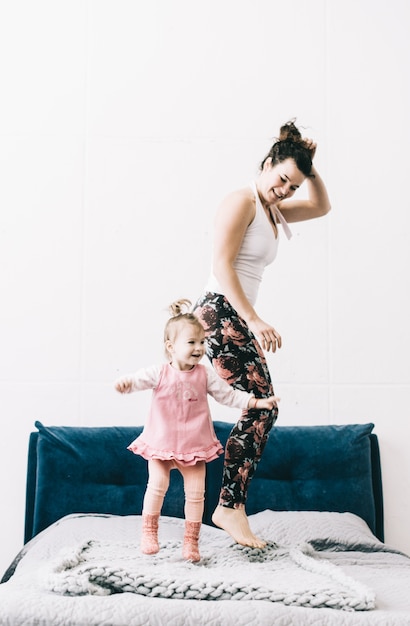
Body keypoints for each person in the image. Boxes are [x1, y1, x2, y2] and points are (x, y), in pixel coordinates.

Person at [193, 119, 331, 549]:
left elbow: (322, 206)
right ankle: (229, 507)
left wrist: (311, 167)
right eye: (282, 179)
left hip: (234, 313)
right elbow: (221, 265)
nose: (286, 191)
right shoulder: (242, 201)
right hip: (219, 312)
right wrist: (254, 320)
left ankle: (230, 506)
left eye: (293, 186)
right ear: (268, 163)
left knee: (263, 407)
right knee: (263, 406)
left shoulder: (272, 209)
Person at [114, 299, 279, 562]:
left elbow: (229, 396)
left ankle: (191, 542)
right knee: (157, 485)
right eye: (191, 343)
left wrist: (257, 402)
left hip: (194, 444)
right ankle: (149, 533)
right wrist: (127, 384)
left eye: (202, 342)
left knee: (195, 494)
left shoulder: (205, 374)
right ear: (171, 347)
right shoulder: (159, 373)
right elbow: (138, 380)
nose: (199, 348)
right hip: (161, 442)